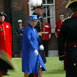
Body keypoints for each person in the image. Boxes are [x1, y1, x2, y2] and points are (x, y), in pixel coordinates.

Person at [58, 0, 77, 77]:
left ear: (71, 9)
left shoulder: (66, 22)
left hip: (71, 52)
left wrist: (61, 55)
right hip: (70, 51)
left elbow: (61, 40)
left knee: (71, 73)